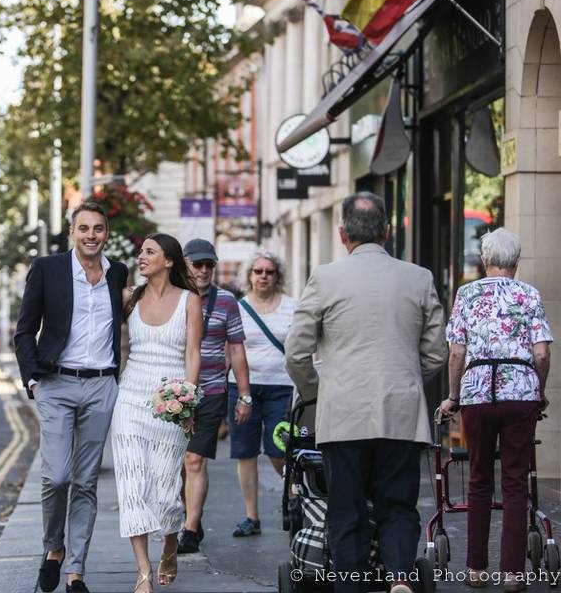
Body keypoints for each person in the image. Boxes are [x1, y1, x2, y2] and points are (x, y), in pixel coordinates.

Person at [284, 192, 446, 593]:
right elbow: (436, 353)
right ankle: (399, 578)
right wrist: (406, 379)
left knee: (346, 510)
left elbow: (296, 352)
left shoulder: (325, 278)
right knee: (399, 506)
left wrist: (318, 393)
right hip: (402, 415)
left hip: (343, 415)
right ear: (388, 232)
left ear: (342, 235)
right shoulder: (419, 277)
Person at [14, 201, 130, 593]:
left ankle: (75, 571)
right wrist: (32, 379)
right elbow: (25, 329)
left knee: (85, 482)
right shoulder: (48, 269)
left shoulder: (118, 274)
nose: (91, 235)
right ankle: (53, 547)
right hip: (57, 383)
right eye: (84, 229)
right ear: (72, 232)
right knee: (56, 475)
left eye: (98, 229)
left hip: (101, 386)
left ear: (106, 234)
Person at [439, 228, 552, 591]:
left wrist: (454, 396)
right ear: (516, 264)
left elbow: (456, 353)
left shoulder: (466, 294)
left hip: (477, 394)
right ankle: (513, 573)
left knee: (479, 478)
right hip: (521, 394)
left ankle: (475, 569)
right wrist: (540, 389)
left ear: (484, 261)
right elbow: (542, 353)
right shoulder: (529, 294)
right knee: (516, 481)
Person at [111, 233, 202, 593]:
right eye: (141, 251)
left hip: (171, 403)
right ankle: (143, 571)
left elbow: (193, 354)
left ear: (168, 261)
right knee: (132, 485)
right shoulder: (130, 297)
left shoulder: (189, 301)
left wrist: (188, 402)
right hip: (130, 399)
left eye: (150, 251)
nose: (141, 255)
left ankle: (170, 542)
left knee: (165, 492)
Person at [177, 238, 251, 554]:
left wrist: (245, 394)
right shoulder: (172, 297)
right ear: (185, 265)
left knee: (194, 459)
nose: (205, 270)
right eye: (198, 264)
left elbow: (235, 348)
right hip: (173, 394)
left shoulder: (226, 302)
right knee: (178, 464)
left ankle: (191, 528)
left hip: (211, 391)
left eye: (210, 264)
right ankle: (188, 513)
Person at [227, 251, 296, 538]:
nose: (263, 276)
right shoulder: (237, 307)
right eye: (258, 271)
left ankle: (293, 498)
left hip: (282, 386)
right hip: (242, 387)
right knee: (246, 452)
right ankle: (251, 516)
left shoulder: (292, 306)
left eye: (269, 272)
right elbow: (229, 348)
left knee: (280, 449)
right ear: (249, 276)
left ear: (277, 276)